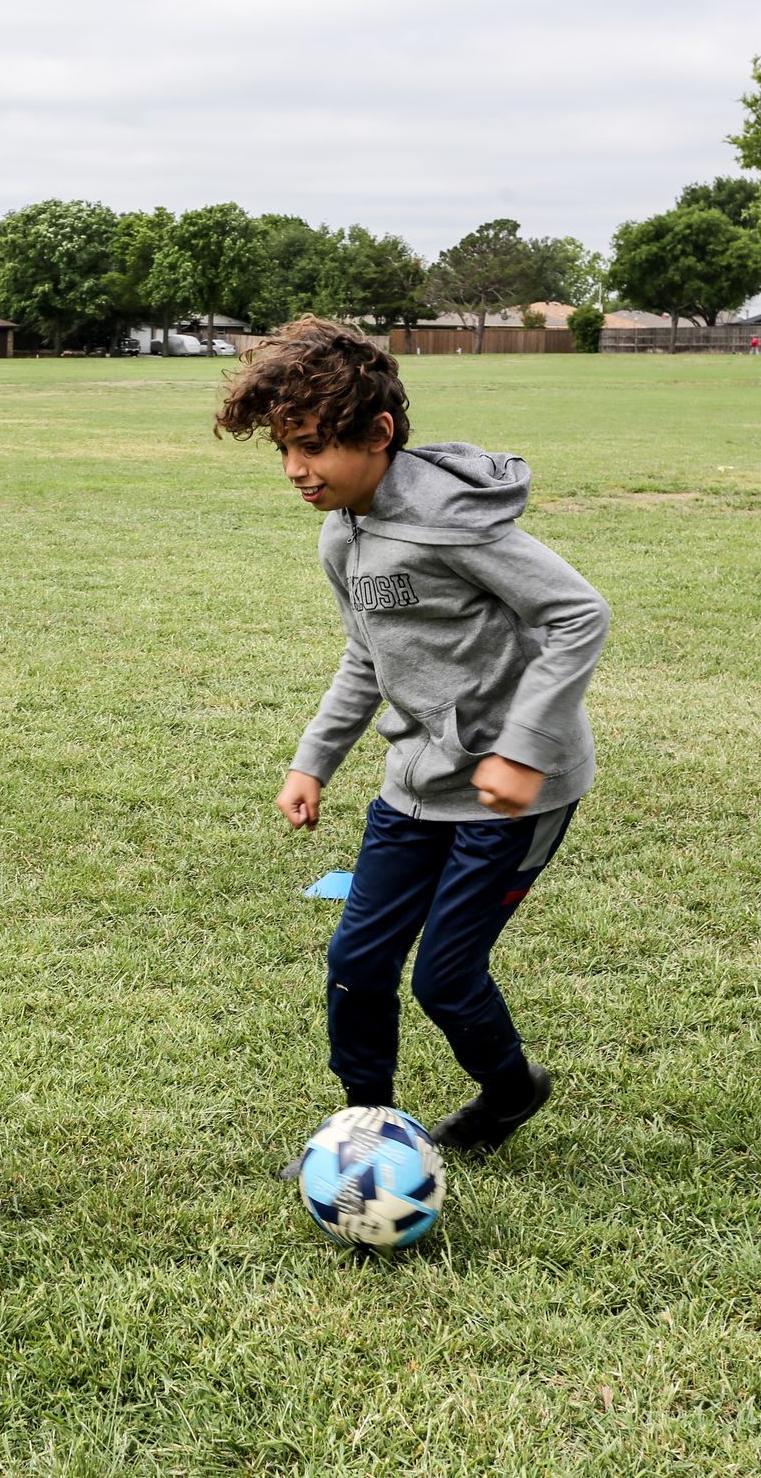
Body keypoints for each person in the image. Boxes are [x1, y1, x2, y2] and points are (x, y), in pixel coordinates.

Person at [215, 318, 610, 1159]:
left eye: (314, 446)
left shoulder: (458, 523)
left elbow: (578, 613)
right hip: (416, 783)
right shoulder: (340, 533)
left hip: (516, 793)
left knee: (445, 977)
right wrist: (311, 760)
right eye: (283, 449)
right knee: (357, 960)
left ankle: (510, 1090)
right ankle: (368, 1126)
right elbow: (369, 653)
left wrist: (523, 749)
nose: (295, 470)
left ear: (378, 433)